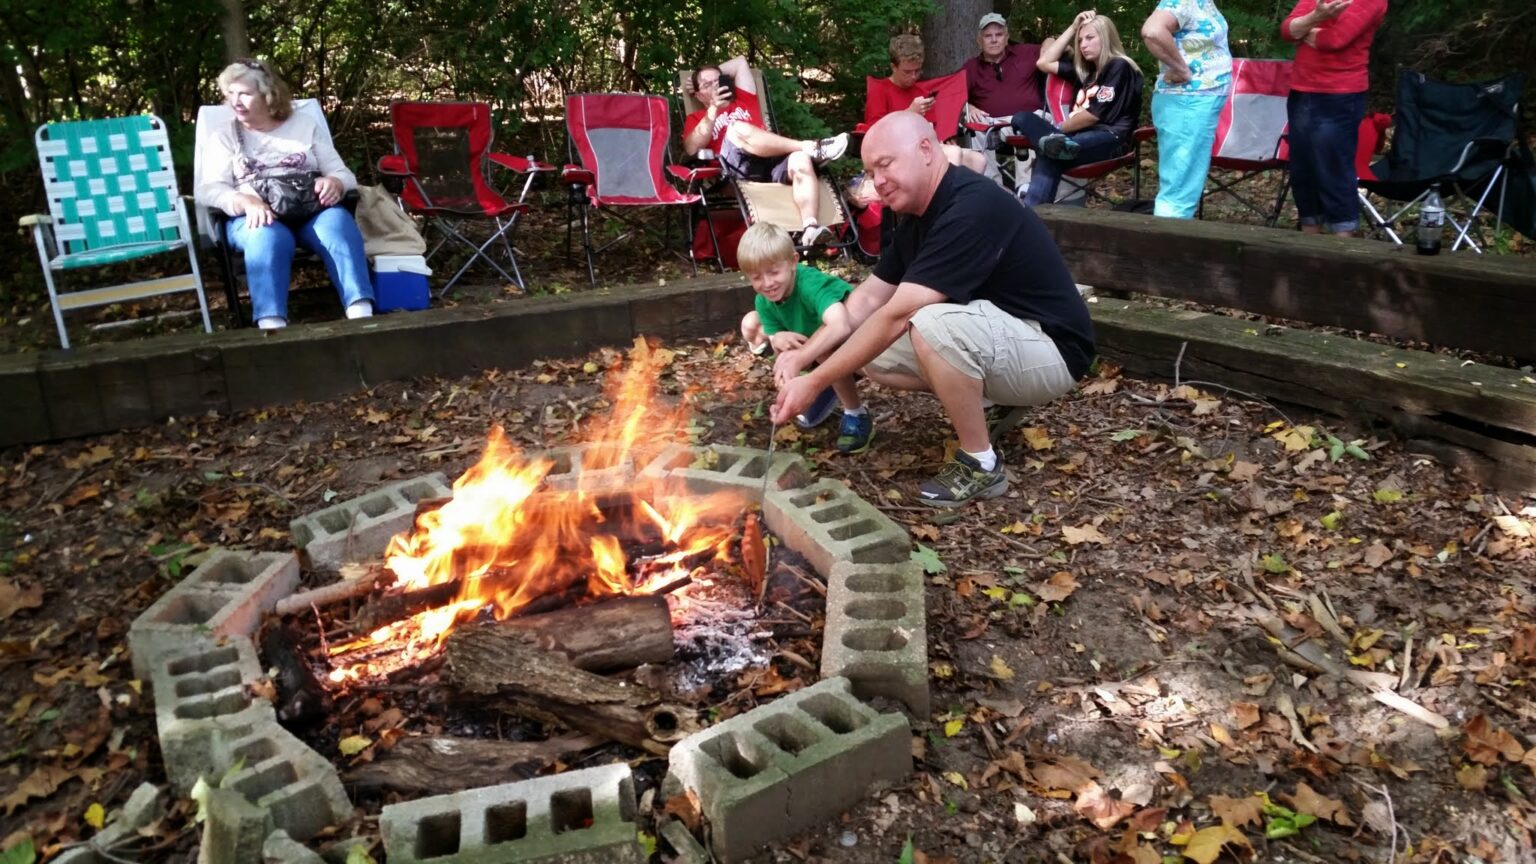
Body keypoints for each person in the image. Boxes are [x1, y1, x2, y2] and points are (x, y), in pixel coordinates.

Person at [771, 113, 1095, 507]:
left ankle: (980, 464)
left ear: (926, 149)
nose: (878, 181)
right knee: (867, 347)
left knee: (927, 322)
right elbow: (868, 300)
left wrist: (816, 382)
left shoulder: (971, 205)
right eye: (871, 172)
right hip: (1009, 338)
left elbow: (897, 313)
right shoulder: (918, 218)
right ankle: (991, 404)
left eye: (885, 164)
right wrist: (804, 357)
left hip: (1053, 349)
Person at [195, 58, 374, 330]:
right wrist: (243, 200)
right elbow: (208, 189)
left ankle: (362, 316)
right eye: (230, 94)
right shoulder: (225, 135)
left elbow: (344, 173)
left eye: (244, 93)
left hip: (309, 211)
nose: (235, 102)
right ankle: (272, 326)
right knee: (267, 237)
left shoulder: (303, 125)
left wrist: (335, 182)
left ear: (268, 95)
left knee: (337, 224)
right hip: (256, 217)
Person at [737, 223, 875, 454]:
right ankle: (829, 386)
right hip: (812, 347)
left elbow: (840, 324)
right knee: (806, 417)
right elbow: (782, 351)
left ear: (793, 261)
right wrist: (776, 338)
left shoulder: (808, 283)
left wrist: (800, 357)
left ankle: (856, 413)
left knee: (823, 352)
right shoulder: (764, 300)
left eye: (773, 272)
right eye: (756, 277)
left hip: (856, 340)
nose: (767, 283)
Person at [683, 56, 849, 246]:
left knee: (801, 159)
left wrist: (711, 76)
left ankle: (810, 228)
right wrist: (713, 108)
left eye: (717, 81)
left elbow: (740, 62)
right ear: (698, 95)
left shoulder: (745, 100)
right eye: (706, 85)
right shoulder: (697, 118)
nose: (713, 86)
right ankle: (812, 147)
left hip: (769, 160)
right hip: (736, 168)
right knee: (736, 127)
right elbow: (691, 149)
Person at [1010, 10, 1144, 206]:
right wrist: (1073, 28)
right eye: (1080, 40)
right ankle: (1052, 145)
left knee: (1051, 153)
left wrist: (1058, 130)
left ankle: (1031, 217)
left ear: (1106, 37)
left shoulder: (1118, 66)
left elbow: (1092, 116)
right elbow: (1043, 62)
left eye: (1089, 38)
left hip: (1110, 138)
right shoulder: (1085, 73)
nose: (1083, 45)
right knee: (1023, 117)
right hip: (1074, 139)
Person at [1281, 0, 1387, 236]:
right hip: (1302, 91)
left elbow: (1335, 40)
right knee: (1302, 169)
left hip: (1340, 95)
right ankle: (1310, 240)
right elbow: (1287, 30)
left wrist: (1304, 29)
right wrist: (1316, 18)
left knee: (1333, 170)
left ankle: (1343, 245)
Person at [1141, 0, 1232, 218]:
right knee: (1179, 192)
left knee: (1184, 185)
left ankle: (1171, 243)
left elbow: (1197, 42)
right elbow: (1152, 31)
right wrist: (1181, 68)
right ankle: (1168, 248)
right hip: (1187, 102)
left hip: (1194, 102)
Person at [863, 34, 990, 177]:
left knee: (978, 160)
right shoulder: (880, 90)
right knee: (953, 154)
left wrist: (942, 140)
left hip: (922, 148)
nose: (913, 76)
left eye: (917, 71)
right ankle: (945, 198)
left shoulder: (921, 93)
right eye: (907, 72)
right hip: (894, 152)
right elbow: (873, 134)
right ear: (893, 67)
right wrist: (910, 113)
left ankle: (964, 198)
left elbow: (930, 128)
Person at [962, 13, 1046, 124]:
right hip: (991, 126)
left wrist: (1048, 46)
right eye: (988, 36)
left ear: (1006, 38)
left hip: (1031, 121)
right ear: (979, 41)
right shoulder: (971, 67)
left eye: (999, 35)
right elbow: (952, 96)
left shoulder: (1025, 53)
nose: (994, 40)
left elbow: (1052, 44)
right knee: (974, 119)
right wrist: (970, 109)